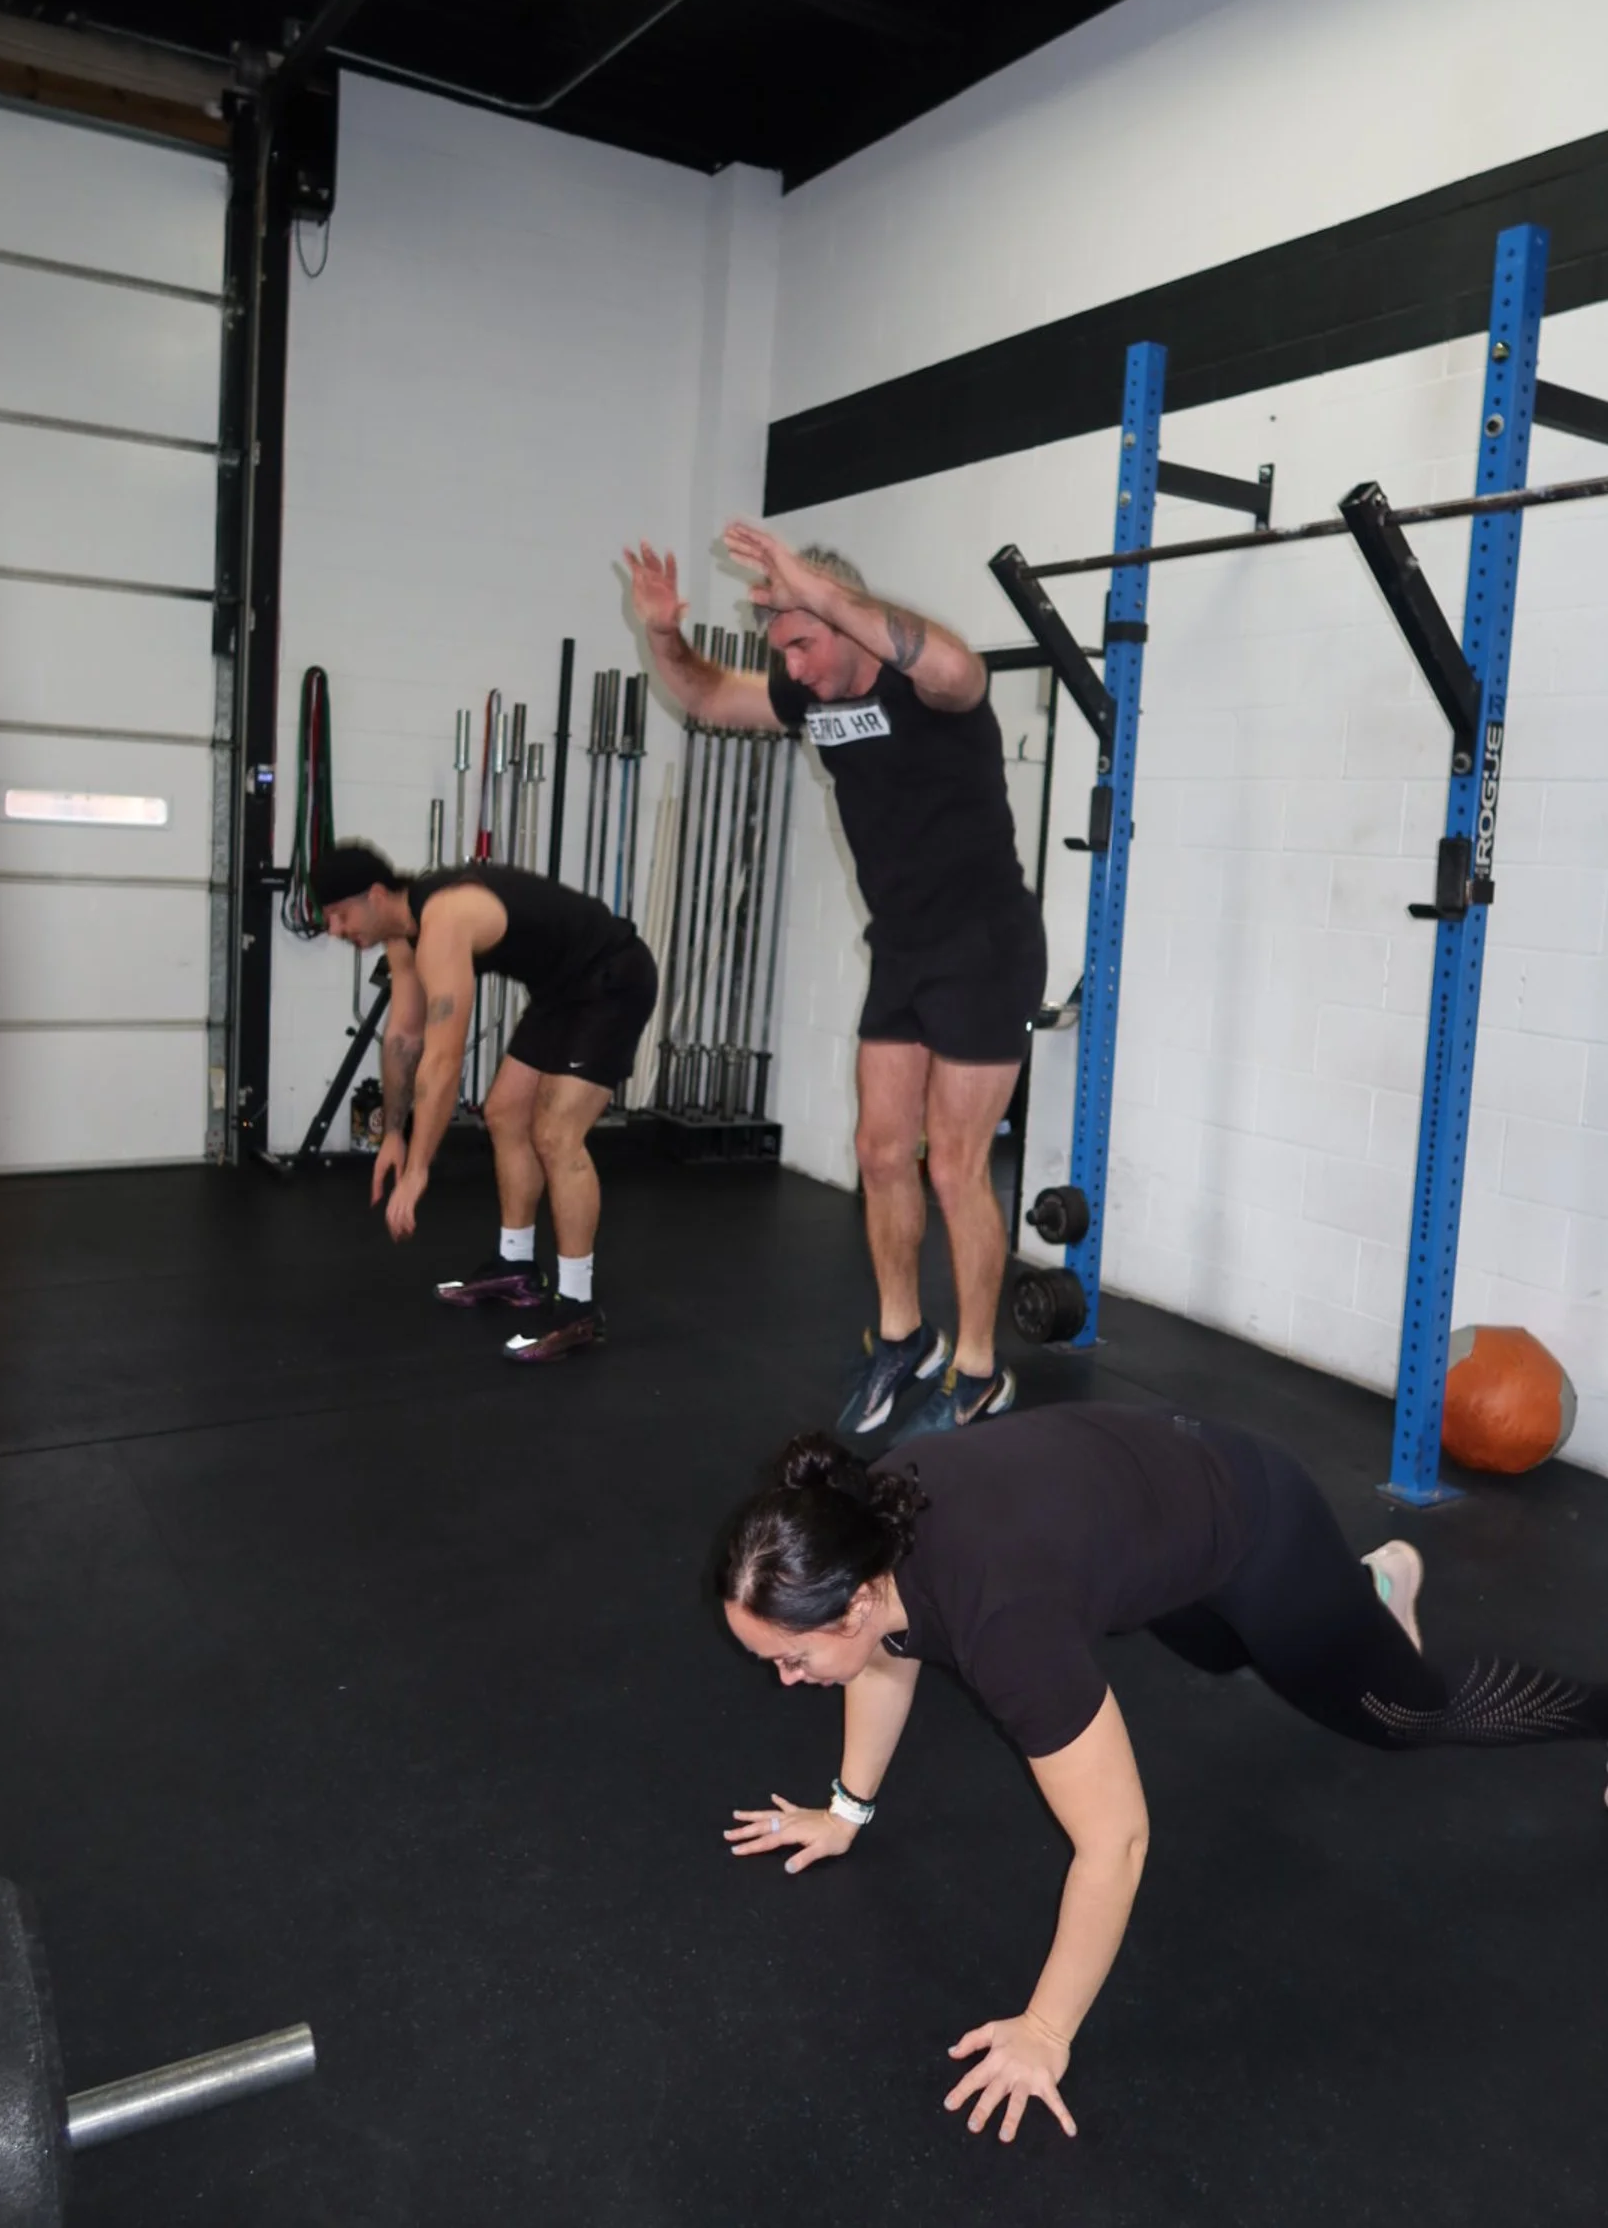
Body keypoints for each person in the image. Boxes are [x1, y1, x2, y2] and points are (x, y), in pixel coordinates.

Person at [712, 1412, 1608, 2144]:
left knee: (1402, 1717)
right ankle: (1354, 1602)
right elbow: (883, 1655)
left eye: (789, 1658)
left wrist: (1045, 2031)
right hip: (1156, 1530)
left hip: (1252, 1523)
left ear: (859, 1598)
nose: (785, 1681)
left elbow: (1117, 1842)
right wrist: (845, 1811)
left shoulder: (1006, 1626)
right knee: (1222, 1656)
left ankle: (1376, 1610)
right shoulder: (868, 1529)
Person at [628, 529, 1046, 1440]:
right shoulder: (806, 687)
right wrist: (662, 635)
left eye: (802, 643)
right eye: (784, 653)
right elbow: (704, 694)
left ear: (838, 618)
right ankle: (905, 1337)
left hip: (985, 946)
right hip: (902, 946)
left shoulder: (934, 688)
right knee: (881, 1150)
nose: (795, 671)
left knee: (957, 1165)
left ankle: (977, 1372)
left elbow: (959, 664)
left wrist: (816, 590)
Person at [313, 842, 657, 1362]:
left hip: (613, 978)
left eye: (339, 915)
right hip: (562, 991)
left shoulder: (444, 919)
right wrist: (394, 1134)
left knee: (556, 1135)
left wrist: (419, 1170)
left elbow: (443, 1059)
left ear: (376, 895)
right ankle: (517, 1268)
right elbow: (404, 1039)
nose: (335, 930)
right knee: (503, 1114)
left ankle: (578, 1308)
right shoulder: (405, 936)